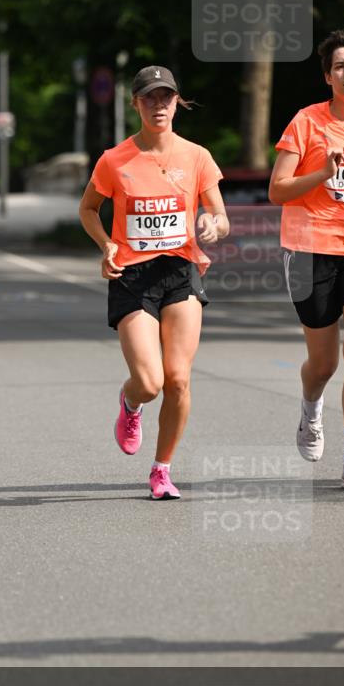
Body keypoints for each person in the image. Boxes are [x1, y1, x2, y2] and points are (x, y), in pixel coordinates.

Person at [79, 66, 229, 500]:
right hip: (133, 275)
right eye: (149, 98)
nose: (159, 105)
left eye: (166, 97)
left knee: (179, 379)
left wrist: (213, 225)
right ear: (136, 104)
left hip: (181, 270)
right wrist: (106, 244)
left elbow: (218, 215)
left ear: (177, 102)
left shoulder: (196, 156)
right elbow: (88, 209)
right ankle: (131, 404)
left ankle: (162, 470)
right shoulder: (115, 159)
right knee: (150, 381)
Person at [269, 28, 344, 489]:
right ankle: (311, 407)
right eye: (340, 66)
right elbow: (277, 191)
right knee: (323, 364)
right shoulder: (307, 123)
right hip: (309, 246)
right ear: (328, 76)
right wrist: (323, 172)